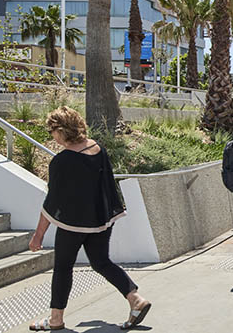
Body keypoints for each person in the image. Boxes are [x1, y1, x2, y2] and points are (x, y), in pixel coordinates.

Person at [28, 107, 152, 331]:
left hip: (72, 225)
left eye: (52, 131)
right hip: (101, 222)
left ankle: (55, 319)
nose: (52, 137)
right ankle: (135, 299)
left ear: (61, 130)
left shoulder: (62, 161)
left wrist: (38, 235)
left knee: (63, 268)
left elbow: (52, 201)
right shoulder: (97, 148)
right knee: (101, 262)